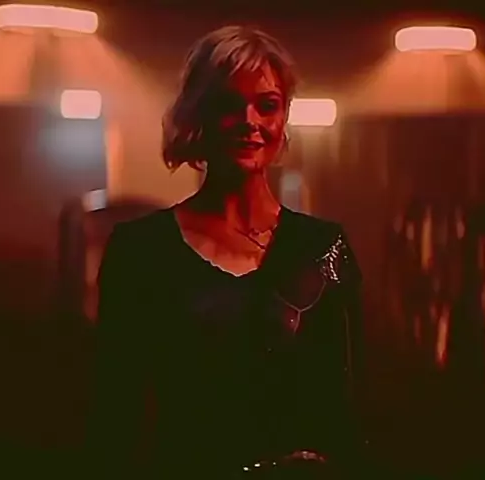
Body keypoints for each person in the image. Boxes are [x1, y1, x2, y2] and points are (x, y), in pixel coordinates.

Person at [88, 26, 366, 478]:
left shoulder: (324, 247)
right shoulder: (142, 251)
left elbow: (352, 409)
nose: (250, 121)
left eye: (267, 105)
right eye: (228, 106)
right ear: (198, 115)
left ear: (283, 117)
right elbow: (115, 413)